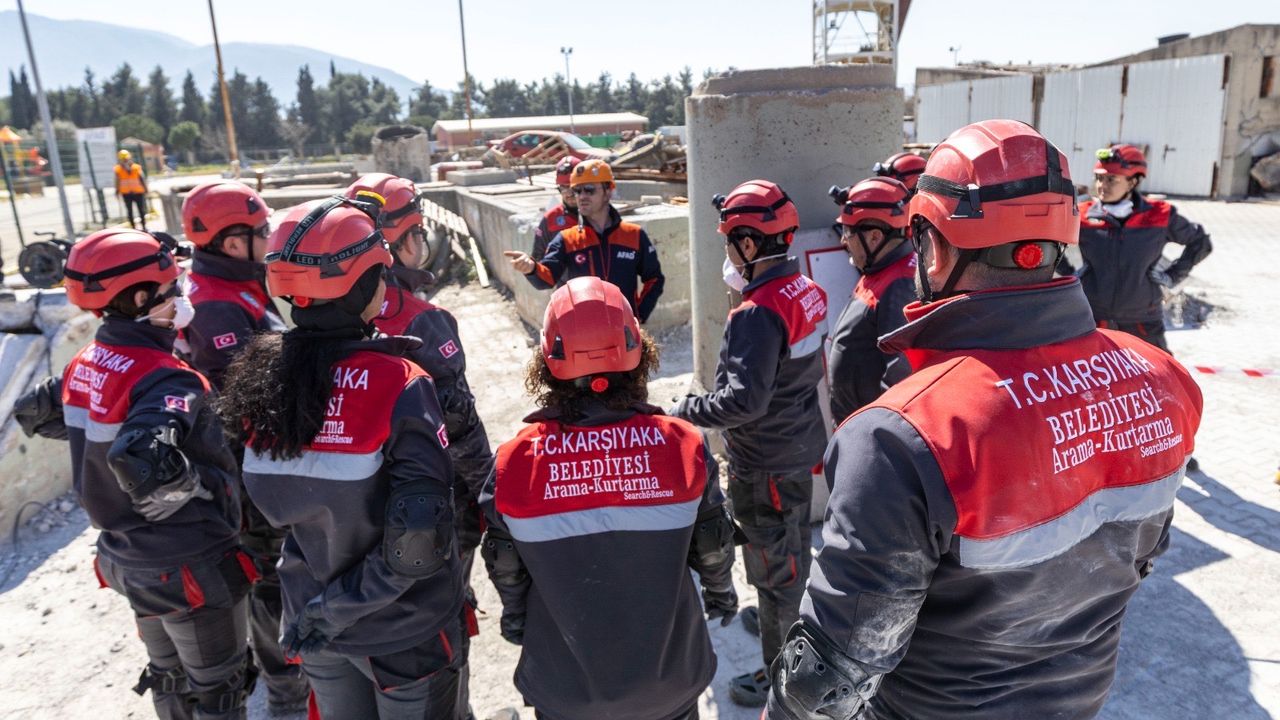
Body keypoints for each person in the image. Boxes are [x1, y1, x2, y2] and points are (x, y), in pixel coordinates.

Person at [767, 119, 1205, 720]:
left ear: (933, 244)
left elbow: (827, 679)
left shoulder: (903, 435)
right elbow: (1141, 556)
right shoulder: (1163, 379)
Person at [218, 196, 469, 719]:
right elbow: (417, 541)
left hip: (310, 619)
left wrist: (321, 609)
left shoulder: (260, 380)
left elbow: (265, 511)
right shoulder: (399, 383)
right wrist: (339, 608)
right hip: (400, 632)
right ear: (362, 284)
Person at [14, 228, 256, 719]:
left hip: (126, 558)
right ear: (144, 299)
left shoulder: (87, 361)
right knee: (220, 690)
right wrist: (200, 488)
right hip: (188, 560)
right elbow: (141, 460)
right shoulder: (166, 376)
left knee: (168, 676)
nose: (182, 298)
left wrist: (97, 453)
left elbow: (31, 411)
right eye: (172, 289)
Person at [481, 275, 737, 720]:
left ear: (547, 361)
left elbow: (507, 567)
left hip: (568, 694)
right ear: (638, 352)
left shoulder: (515, 462)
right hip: (669, 688)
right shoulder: (682, 445)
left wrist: (517, 620)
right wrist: (721, 595)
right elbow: (713, 546)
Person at [668, 179, 829, 708]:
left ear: (749, 243)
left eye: (730, 241)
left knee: (774, 570)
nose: (728, 253)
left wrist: (687, 410)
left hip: (764, 462)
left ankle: (782, 674)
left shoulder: (757, 312)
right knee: (792, 549)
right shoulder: (804, 289)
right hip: (796, 445)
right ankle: (787, 619)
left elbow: (743, 402)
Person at [346, 172, 496, 704]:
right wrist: (490, 495)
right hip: (432, 509)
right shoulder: (425, 322)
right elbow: (461, 430)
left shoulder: (324, 316)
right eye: (417, 231)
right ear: (401, 242)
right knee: (441, 622)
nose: (423, 241)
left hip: (354, 511)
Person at [179, 181, 309, 714]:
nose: (269, 238)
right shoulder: (216, 307)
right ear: (233, 243)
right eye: (262, 231)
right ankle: (286, 690)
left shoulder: (233, 286)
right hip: (247, 472)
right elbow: (243, 401)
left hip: (255, 462)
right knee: (272, 576)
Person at [1072, 143, 1213, 353]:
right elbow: (1050, 245)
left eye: (1111, 179)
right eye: (1099, 178)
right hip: (1092, 317)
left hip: (1141, 319)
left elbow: (1200, 242)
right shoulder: (1082, 215)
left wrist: (1173, 276)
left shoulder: (1159, 214)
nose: (1102, 185)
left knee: (1157, 371)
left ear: (1133, 182)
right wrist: (1070, 274)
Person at [504, 159, 665, 323]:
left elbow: (654, 279)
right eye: (577, 190)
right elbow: (547, 278)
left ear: (608, 191)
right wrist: (531, 268)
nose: (581, 196)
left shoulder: (634, 235)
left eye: (589, 190)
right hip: (581, 330)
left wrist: (638, 315)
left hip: (623, 330)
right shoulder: (567, 239)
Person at [825, 176, 916, 424]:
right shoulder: (881, 270)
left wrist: (877, 434)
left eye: (848, 232)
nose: (843, 241)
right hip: (856, 425)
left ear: (874, 237)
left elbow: (901, 379)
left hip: (870, 431)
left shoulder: (899, 286)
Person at [531, 156, 581, 263]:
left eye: (573, 187)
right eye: (563, 187)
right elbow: (538, 257)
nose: (568, 193)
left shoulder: (598, 216)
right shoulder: (550, 219)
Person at [115, 149, 149, 230]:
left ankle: (144, 226)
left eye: (126, 159)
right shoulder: (118, 169)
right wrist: (117, 191)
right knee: (129, 211)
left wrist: (146, 189)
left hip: (138, 192)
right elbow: (117, 181)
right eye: (123, 159)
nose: (125, 161)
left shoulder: (136, 167)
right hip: (126, 193)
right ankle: (133, 227)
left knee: (141, 210)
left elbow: (142, 178)